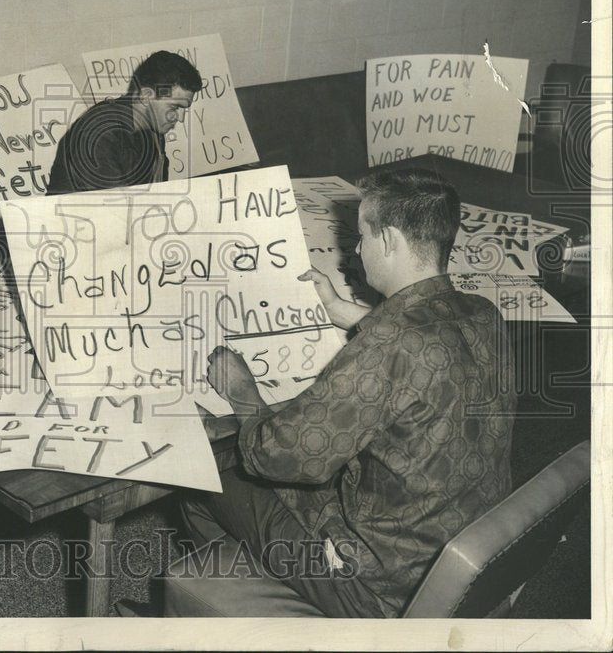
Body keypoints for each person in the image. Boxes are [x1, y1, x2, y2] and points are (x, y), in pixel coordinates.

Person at [178, 168, 516, 618]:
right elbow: (426, 341)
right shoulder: (483, 313)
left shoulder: (385, 346)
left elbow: (278, 455)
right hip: (466, 552)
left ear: (390, 240)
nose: (356, 250)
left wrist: (243, 391)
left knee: (203, 475)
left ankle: (236, 615)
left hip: (380, 588)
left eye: (362, 236)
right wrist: (346, 312)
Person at [46, 50, 202, 194]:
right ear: (146, 96)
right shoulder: (98, 133)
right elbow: (116, 210)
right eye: (175, 107)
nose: (180, 118)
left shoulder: (152, 131)